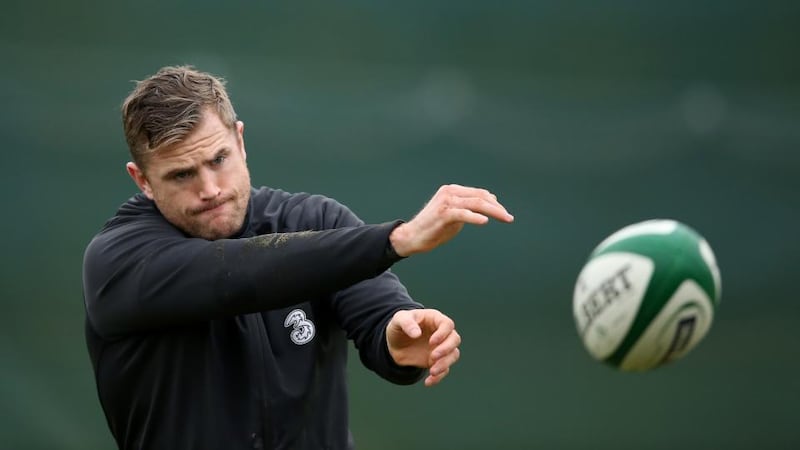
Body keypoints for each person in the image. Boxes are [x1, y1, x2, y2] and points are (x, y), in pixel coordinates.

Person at [82, 65, 514, 450]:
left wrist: (397, 336)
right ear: (142, 181)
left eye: (219, 159)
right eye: (182, 175)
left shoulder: (314, 220)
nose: (210, 188)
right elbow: (232, 273)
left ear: (240, 139)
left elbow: (379, 315)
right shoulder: (118, 260)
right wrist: (397, 239)